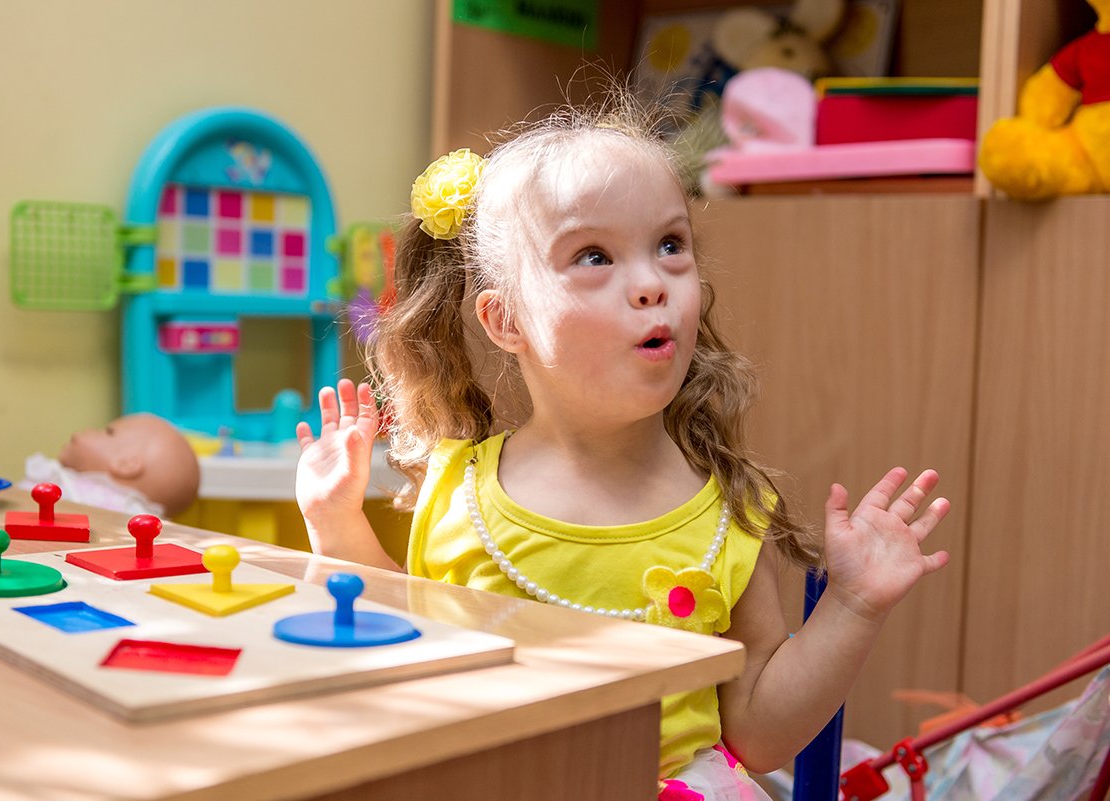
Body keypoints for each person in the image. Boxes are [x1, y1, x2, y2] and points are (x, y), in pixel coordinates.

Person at [295, 96, 950, 799]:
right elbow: (398, 639)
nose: (649, 284)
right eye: (594, 256)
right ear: (505, 318)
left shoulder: (727, 506)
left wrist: (853, 606)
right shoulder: (460, 488)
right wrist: (336, 523)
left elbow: (758, 732)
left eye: (670, 244)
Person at [23, 412, 201, 517]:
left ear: (126, 464)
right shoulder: (63, 479)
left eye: (108, 432)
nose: (90, 431)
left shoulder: (120, 513)